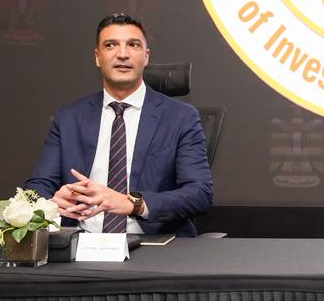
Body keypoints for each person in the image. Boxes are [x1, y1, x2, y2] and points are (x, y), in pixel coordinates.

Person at [25, 13, 213, 235]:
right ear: (98, 57)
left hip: (152, 244)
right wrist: (52, 202)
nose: (122, 54)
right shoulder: (70, 117)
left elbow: (199, 193)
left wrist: (132, 203)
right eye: (111, 45)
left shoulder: (181, 117)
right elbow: (37, 187)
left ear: (146, 56)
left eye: (133, 45)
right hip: (82, 242)